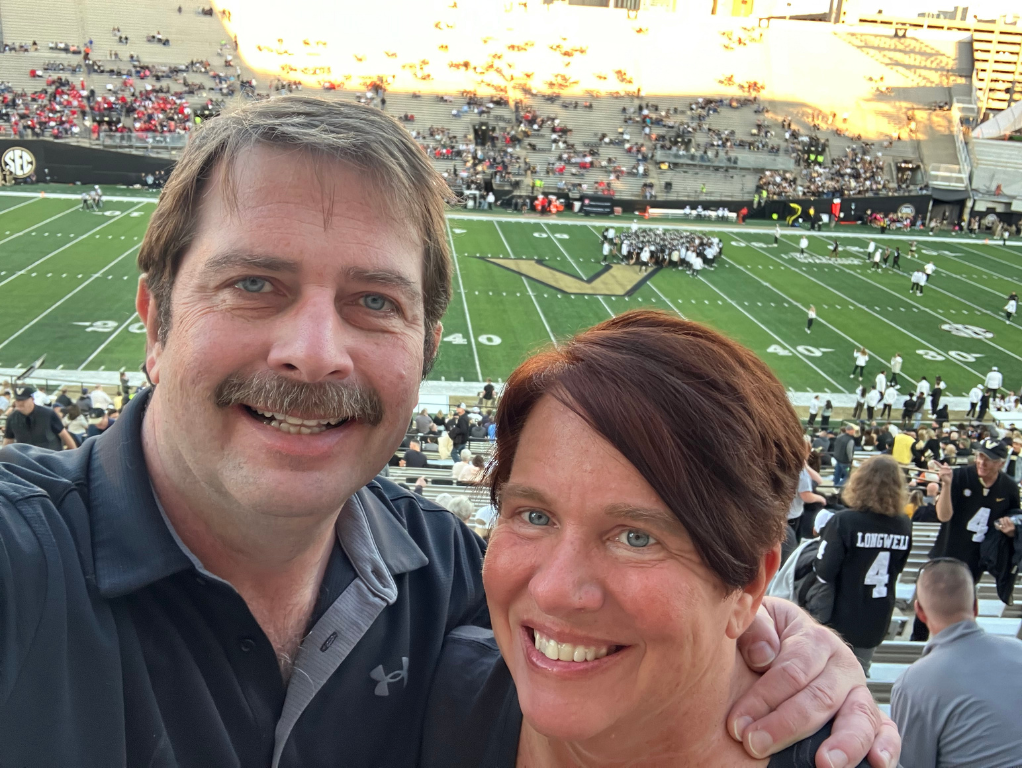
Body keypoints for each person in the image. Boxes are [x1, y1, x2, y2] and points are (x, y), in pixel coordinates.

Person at [0, 96, 893, 768]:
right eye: (254, 284)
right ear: (155, 325)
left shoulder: (454, 583)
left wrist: (776, 657)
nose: (315, 354)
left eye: (373, 302)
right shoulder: (22, 562)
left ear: (424, 350)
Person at [420, 311, 898, 768]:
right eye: (535, 515)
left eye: (635, 537)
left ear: (750, 586)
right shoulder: (424, 695)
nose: (553, 589)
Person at [891, 559, 1022, 768]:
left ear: (920, 612)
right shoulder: (1019, 651)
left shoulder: (912, 684)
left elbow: (912, 764)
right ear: (975, 606)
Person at [814, 456, 912, 674]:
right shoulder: (904, 524)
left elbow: (824, 571)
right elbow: (899, 567)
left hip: (841, 614)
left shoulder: (845, 521)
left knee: (830, 676)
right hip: (877, 614)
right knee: (859, 677)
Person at [931, 438, 1021, 582]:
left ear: (1001, 463)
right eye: (981, 456)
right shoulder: (960, 476)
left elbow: (1015, 519)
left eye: (989, 459)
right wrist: (947, 485)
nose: (982, 463)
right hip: (948, 553)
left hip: (979, 559)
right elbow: (943, 516)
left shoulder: (1009, 488)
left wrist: (1011, 530)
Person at [2, 386, 78, 451]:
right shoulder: (12, 418)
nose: (19, 403)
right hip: (27, 461)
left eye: (23, 400)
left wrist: (74, 455)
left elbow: (64, 434)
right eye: (17, 400)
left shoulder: (48, 414)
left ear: (32, 399)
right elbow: (8, 441)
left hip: (50, 459)